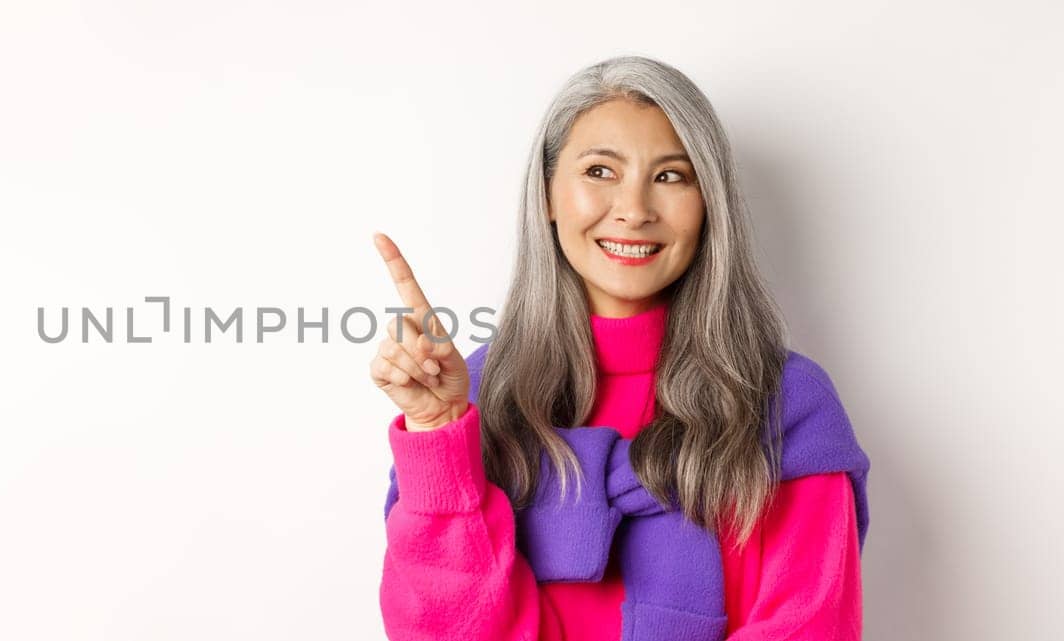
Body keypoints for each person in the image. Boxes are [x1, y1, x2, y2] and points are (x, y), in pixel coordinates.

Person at [369, 56, 868, 641]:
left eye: (671, 176)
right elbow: (446, 630)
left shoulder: (786, 402)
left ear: (709, 207)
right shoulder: (477, 397)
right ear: (548, 196)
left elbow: (812, 625)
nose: (634, 210)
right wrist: (436, 429)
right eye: (601, 172)